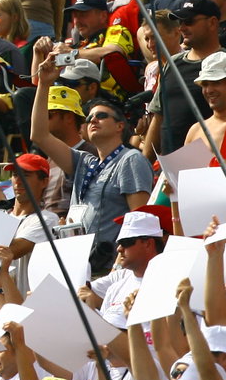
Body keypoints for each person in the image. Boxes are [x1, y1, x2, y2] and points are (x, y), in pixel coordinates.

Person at [29, 43, 151, 261]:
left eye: (101, 116)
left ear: (120, 126)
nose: (93, 120)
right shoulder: (84, 161)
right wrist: (44, 84)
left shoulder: (130, 159)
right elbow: (39, 135)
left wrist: (122, 264)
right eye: (89, 117)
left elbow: (140, 219)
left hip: (111, 263)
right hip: (80, 262)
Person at [148, 0, 226, 157]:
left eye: (189, 22)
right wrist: (146, 161)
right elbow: (158, 117)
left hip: (213, 166)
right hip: (169, 166)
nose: (182, 27)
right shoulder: (172, 64)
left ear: (212, 23)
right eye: (180, 22)